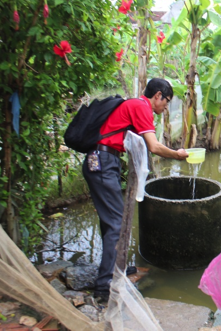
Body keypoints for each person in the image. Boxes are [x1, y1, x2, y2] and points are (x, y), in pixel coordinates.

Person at [82, 78, 188, 300]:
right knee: (116, 223)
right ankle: (104, 286)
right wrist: (178, 155)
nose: (166, 107)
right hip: (102, 162)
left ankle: (116, 268)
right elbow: (154, 146)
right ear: (157, 95)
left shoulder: (133, 105)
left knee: (111, 221)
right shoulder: (141, 106)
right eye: (166, 102)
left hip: (102, 161)